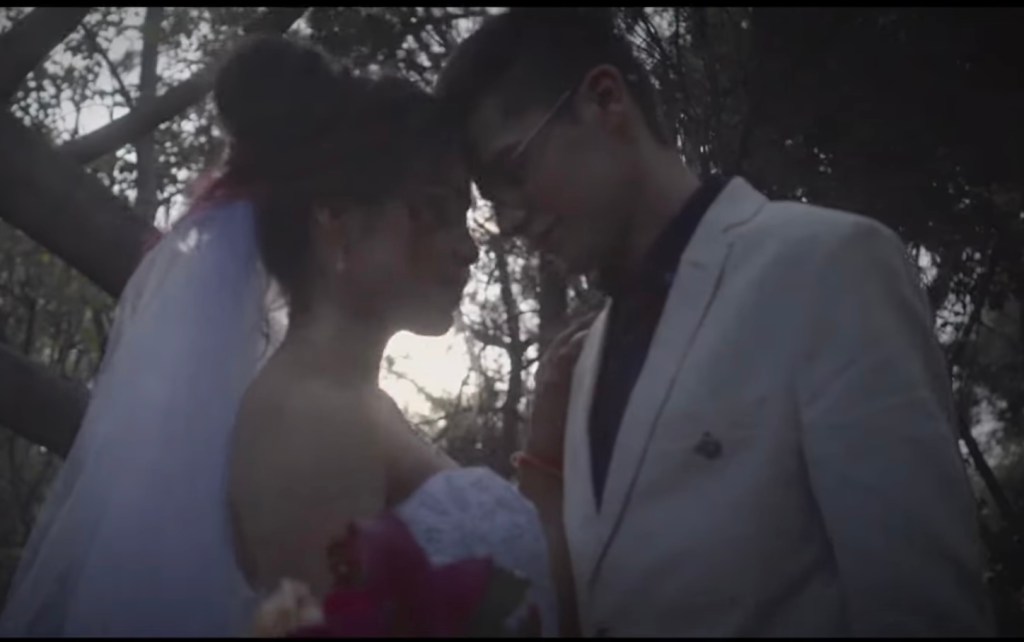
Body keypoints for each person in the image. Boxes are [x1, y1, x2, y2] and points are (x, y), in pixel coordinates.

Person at [437, 7, 996, 637]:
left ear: (605, 100)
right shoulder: (585, 366)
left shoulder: (826, 268)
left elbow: (922, 610)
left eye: (515, 170)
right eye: (494, 204)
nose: (510, 221)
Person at [0, 35, 564, 637]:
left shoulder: (346, 402)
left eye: (465, 217)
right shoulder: (310, 419)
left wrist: (547, 456)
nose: (468, 247)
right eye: (436, 210)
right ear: (336, 219)